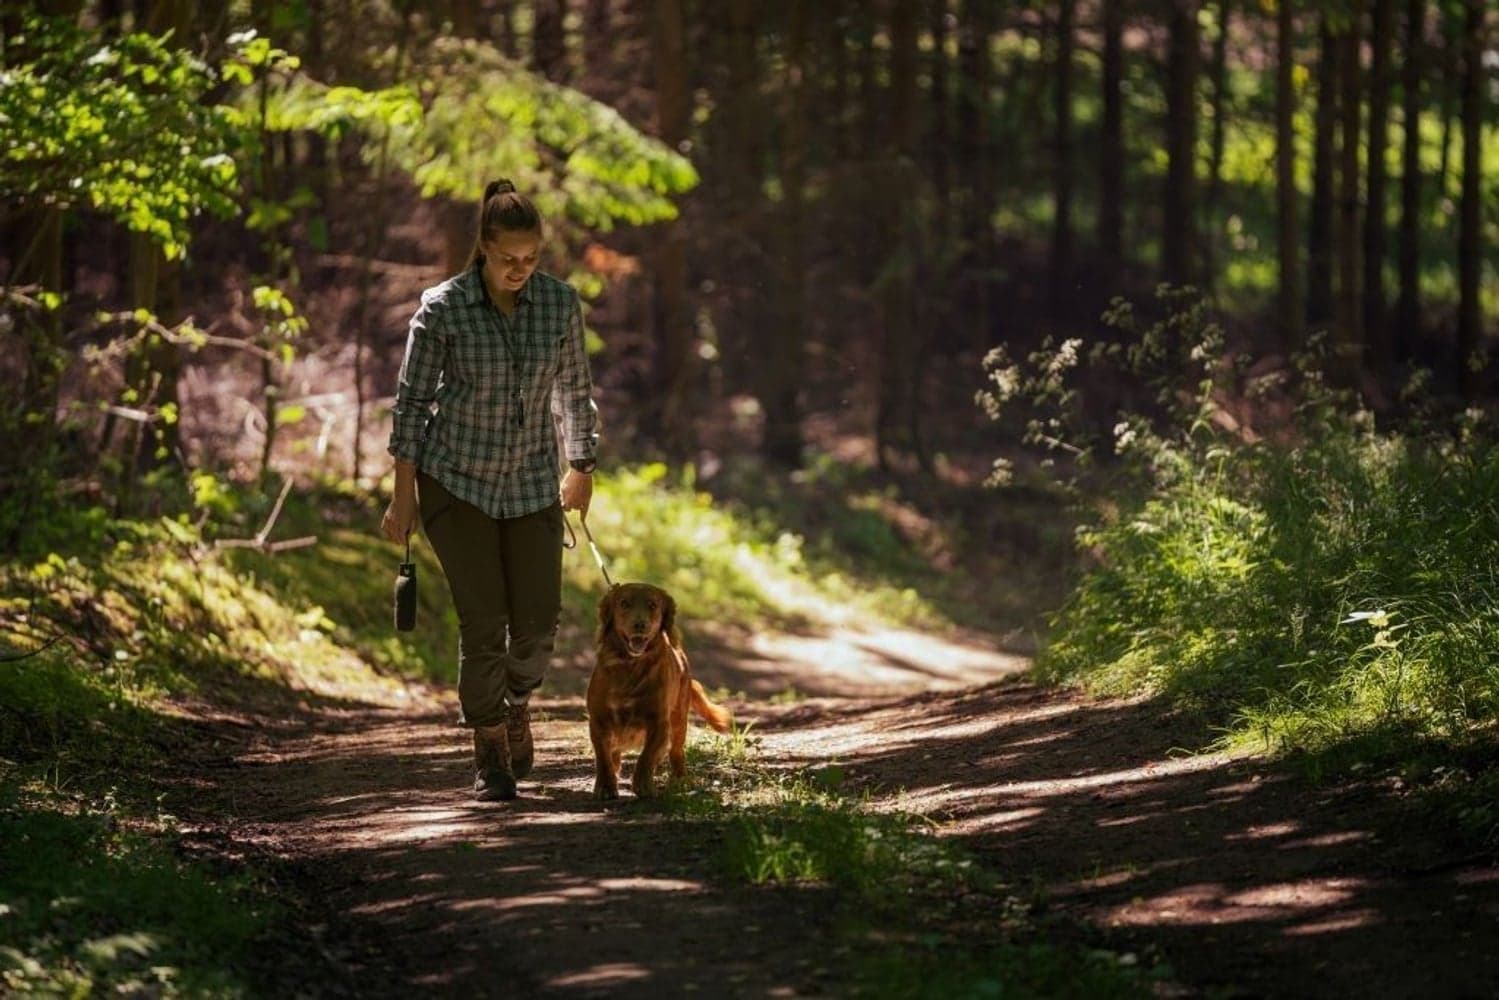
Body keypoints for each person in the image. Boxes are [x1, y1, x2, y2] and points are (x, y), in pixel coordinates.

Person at [381, 178, 599, 802]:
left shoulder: (559, 306)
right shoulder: (442, 308)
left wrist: (580, 466)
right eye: (508, 259)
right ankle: (490, 751)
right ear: (483, 247)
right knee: (484, 623)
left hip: (532, 484)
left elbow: (573, 391)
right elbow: (412, 406)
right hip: (455, 483)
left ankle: (516, 704)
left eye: (530, 259)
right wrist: (404, 496)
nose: (519, 270)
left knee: (537, 626)